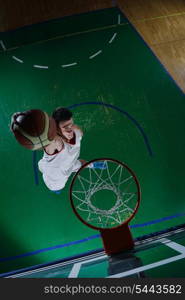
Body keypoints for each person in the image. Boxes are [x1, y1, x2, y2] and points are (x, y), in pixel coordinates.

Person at [38, 107, 85, 193]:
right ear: (56, 129)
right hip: (54, 175)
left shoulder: (77, 131)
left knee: (83, 163)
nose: (70, 130)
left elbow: (78, 131)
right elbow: (47, 140)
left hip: (68, 164)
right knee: (57, 187)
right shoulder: (55, 142)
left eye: (71, 124)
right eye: (65, 127)